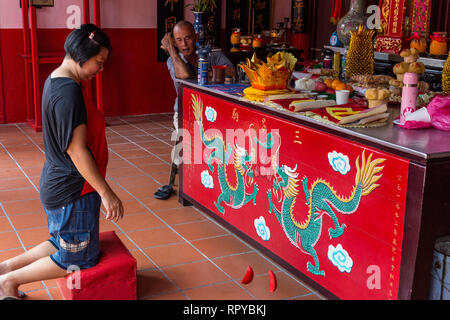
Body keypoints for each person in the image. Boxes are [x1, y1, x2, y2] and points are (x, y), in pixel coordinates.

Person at [0, 24, 123, 300]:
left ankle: (5, 268)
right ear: (82, 54)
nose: (100, 69)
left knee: (62, 242)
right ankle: (8, 281)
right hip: (73, 190)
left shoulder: (57, 79)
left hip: (62, 185)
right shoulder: (69, 93)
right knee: (78, 257)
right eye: (99, 62)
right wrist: (106, 193)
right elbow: (77, 151)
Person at [154, 20, 235, 200]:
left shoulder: (211, 53)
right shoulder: (172, 59)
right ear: (174, 43)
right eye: (179, 40)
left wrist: (210, 73)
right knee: (193, 136)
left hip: (215, 111)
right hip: (185, 112)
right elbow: (184, 76)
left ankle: (222, 180)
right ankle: (196, 184)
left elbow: (231, 72)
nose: (184, 44)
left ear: (196, 38)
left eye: (188, 38)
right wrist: (172, 50)